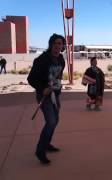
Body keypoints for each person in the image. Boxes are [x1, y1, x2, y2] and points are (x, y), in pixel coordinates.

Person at [27, 34, 66, 164]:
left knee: (55, 121)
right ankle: (40, 150)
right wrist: (43, 88)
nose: (57, 46)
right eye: (55, 43)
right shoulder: (41, 60)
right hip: (44, 95)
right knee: (50, 121)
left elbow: (58, 76)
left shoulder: (61, 59)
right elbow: (31, 79)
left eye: (60, 43)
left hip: (56, 95)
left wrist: (57, 87)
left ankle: (47, 144)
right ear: (50, 44)